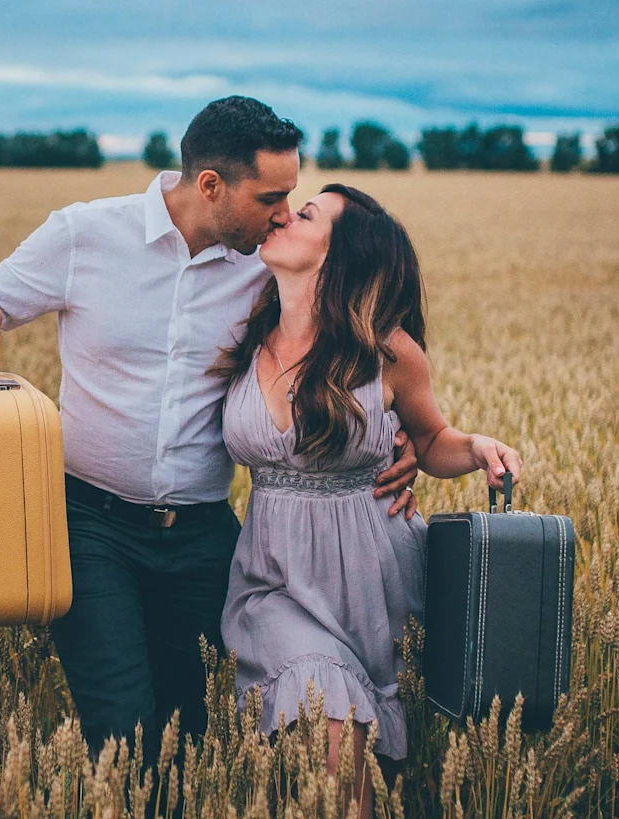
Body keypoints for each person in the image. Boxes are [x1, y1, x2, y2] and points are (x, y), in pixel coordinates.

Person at [0, 97, 421, 763]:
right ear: (211, 185)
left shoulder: (267, 265)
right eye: (271, 197)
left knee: (194, 731)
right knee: (127, 731)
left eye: (292, 197)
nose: (285, 214)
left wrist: (396, 435)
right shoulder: (83, 235)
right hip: (91, 528)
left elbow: (349, 336)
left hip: (205, 536)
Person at [210, 183, 521, 813]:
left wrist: (476, 447)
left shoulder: (388, 352)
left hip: (370, 579)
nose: (284, 216)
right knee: (332, 725)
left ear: (340, 256)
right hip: (273, 578)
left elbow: (429, 439)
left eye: (306, 215)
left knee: (350, 765)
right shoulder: (245, 329)